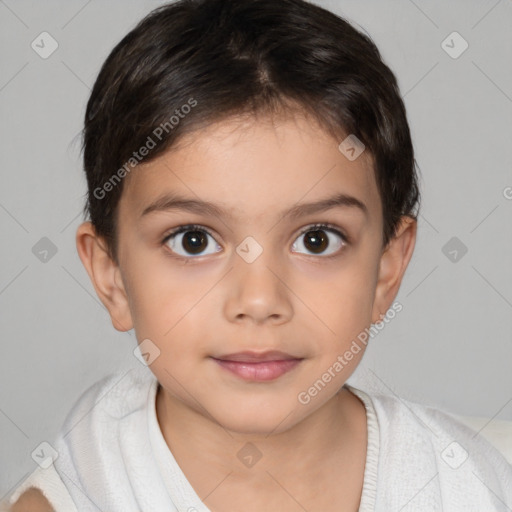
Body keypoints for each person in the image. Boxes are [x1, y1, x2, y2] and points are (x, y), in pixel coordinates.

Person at [5, 0, 512, 510]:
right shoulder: (69, 500)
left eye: (317, 239)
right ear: (111, 274)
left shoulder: (470, 487)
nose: (260, 300)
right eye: (193, 240)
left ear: (386, 269)